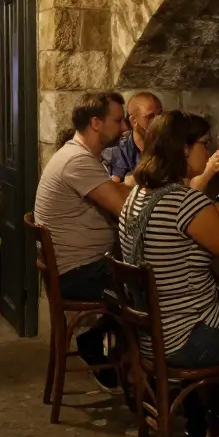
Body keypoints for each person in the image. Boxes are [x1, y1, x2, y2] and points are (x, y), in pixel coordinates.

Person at [118, 110, 219, 437]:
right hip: (187, 338)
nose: (207, 152)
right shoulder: (184, 202)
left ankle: (218, 417)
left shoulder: (136, 196)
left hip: (153, 335)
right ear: (183, 149)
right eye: (203, 144)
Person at [34, 91, 131, 389]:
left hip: (77, 267)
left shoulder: (79, 155)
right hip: (78, 273)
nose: (125, 127)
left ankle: (101, 347)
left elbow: (118, 198)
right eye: (118, 120)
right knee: (154, 288)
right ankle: (144, 380)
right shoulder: (77, 161)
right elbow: (123, 208)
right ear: (96, 123)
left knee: (146, 281)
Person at [104, 92, 219, 192]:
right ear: (133, 121)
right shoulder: (120, 150)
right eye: (150, 117)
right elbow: (114, 189)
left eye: (159, 115)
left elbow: (184, 185)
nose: (157, 121)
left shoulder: (168, 146)